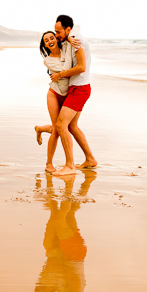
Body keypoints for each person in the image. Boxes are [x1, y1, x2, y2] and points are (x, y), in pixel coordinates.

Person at [41, 14, 97, 176]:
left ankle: (70, 166)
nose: (56, 35)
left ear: (67, 30)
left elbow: (81, 67)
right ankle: (90, 159)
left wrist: (59, 75)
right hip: (76, 87)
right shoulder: (71, 39)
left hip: (80, 88)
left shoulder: (78, 42)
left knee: (60, 126)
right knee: (71, 126)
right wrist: (69, 38)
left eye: (58, 32)